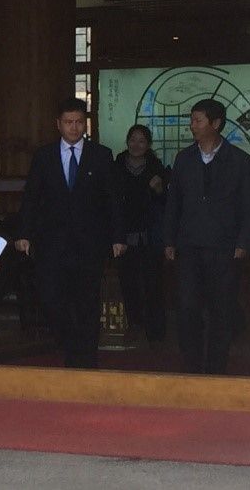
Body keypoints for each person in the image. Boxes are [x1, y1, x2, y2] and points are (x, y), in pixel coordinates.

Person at [14, 97, 126, 369]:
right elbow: (31, 197)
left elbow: (112, 199)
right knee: (52, 299)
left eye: (78, 122)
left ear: (85, 124)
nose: (74, 127)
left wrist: (118, 236)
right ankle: (68, 344)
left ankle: (86, 360)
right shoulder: (44, 156)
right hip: (52, 243)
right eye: (68, 122)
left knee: (87, 301)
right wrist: (24, 233)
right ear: (58, 124)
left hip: (90, 243)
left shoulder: (101, 155)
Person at [163, 98, 250, 374]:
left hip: (224, 248)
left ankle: (216, 369)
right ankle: (192, 366)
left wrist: (243, 242)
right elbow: (173, 204)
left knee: (222, 310)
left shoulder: (239, 160)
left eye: (198, 120)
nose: (192, 125)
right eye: (191, 120)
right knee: (187, 308)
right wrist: (169, 240)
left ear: (215, 123)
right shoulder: (184, 158)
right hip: (189, 246)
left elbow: (249, 206)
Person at [115, 124, 168, 343]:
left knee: (152, 282)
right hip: (124, 236)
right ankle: (135, 321)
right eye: (133, 140)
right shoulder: (116, 166)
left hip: (149, 235)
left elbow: (165, 202)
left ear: (148, 145)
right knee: (128, 282)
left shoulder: (156, 167)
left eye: (141, 141)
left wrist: (158, 188)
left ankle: (155, 329)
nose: (136, 145)